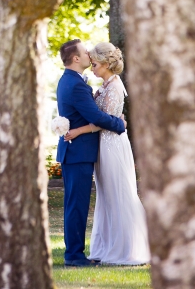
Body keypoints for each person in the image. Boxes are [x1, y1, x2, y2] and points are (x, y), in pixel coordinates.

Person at [64, 42, 150, 265]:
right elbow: (100, 117)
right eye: (90, 62)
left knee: (119, 194)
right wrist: (117, 122)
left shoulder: (113, 87)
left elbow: (102, 122)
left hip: (112, 146)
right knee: (106, 197)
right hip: (101, 147)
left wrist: (80, 130)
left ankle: (126, 248)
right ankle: (108, 245)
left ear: (104, 64)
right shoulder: (101, 86)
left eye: (94, 64)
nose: (92, 67)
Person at [56, 39, 126, 267]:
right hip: (78, 153)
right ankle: (74, 256)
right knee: (77, 205)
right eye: (85, 52)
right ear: (76, 59)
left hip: (76, 152)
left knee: (75, 204)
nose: (89, 54)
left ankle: (75, 252)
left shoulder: (70, 81)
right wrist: (120, 125)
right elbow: (95, 116)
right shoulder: (76, 84)